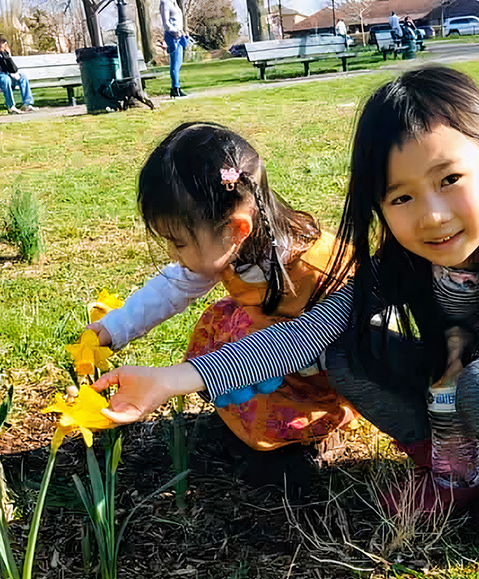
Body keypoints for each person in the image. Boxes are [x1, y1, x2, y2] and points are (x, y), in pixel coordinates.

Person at [94, 67, 479, 579]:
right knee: (346, 351)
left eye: (449, 179)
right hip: (453, 400)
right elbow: (307, 334)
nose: (431, 216)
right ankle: (450, 473)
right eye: (402, 197)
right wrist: (171, 380)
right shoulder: (405, 259)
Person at [85, 121, 355, 456]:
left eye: (178, 243)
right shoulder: (232, 245)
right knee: (227, 322)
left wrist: (292, 368)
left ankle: (311, 434)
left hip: (323, 368)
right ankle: (250, 417)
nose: (172, 255)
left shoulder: (319, 270)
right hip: (263, 354)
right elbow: (172, 287)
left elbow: (357, 345)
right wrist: (116, 327)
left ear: (237, 229)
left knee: (247, 343)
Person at [0, 34, 34, 114]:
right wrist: (9, 74)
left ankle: (27, 104)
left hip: (5, 77)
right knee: (6, 79)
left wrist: (8, 56)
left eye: (3, 42)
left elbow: (14, 69)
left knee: (23, 76)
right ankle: (11, 106)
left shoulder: (4, 53)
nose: (1, 45)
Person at [160, 0, 188, 97]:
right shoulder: (165, 3)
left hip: (179, 35)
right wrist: (175, 32)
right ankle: (175, 88)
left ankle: (177, 88)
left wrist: (182, 31)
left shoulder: (174, 2)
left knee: (178, 63)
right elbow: (166, 23)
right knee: (175, 63)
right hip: (172, 36)